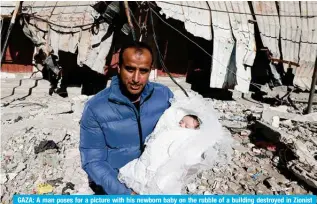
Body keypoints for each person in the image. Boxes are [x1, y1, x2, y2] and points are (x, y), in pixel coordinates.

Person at [79, 41, 174, 195]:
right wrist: (126, 193)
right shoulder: (96, 108)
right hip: (117, 186)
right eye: (130, 69)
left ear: (150, 70)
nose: (136, 78)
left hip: (158, 183)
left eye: (143, 71)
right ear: (119, 68)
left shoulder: (163, 96)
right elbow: (93, 160)